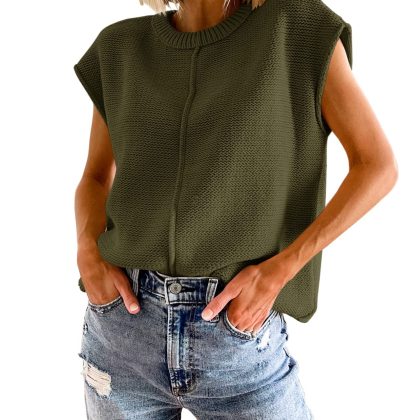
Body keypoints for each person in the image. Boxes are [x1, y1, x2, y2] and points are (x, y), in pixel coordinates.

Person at [73, 0, 398, 418]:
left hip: (237, 335)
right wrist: (88, 250)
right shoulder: (120, 47)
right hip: (121, 332)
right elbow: (95, 178)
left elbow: (377, 166)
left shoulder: (296, 28)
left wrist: (281, 269)